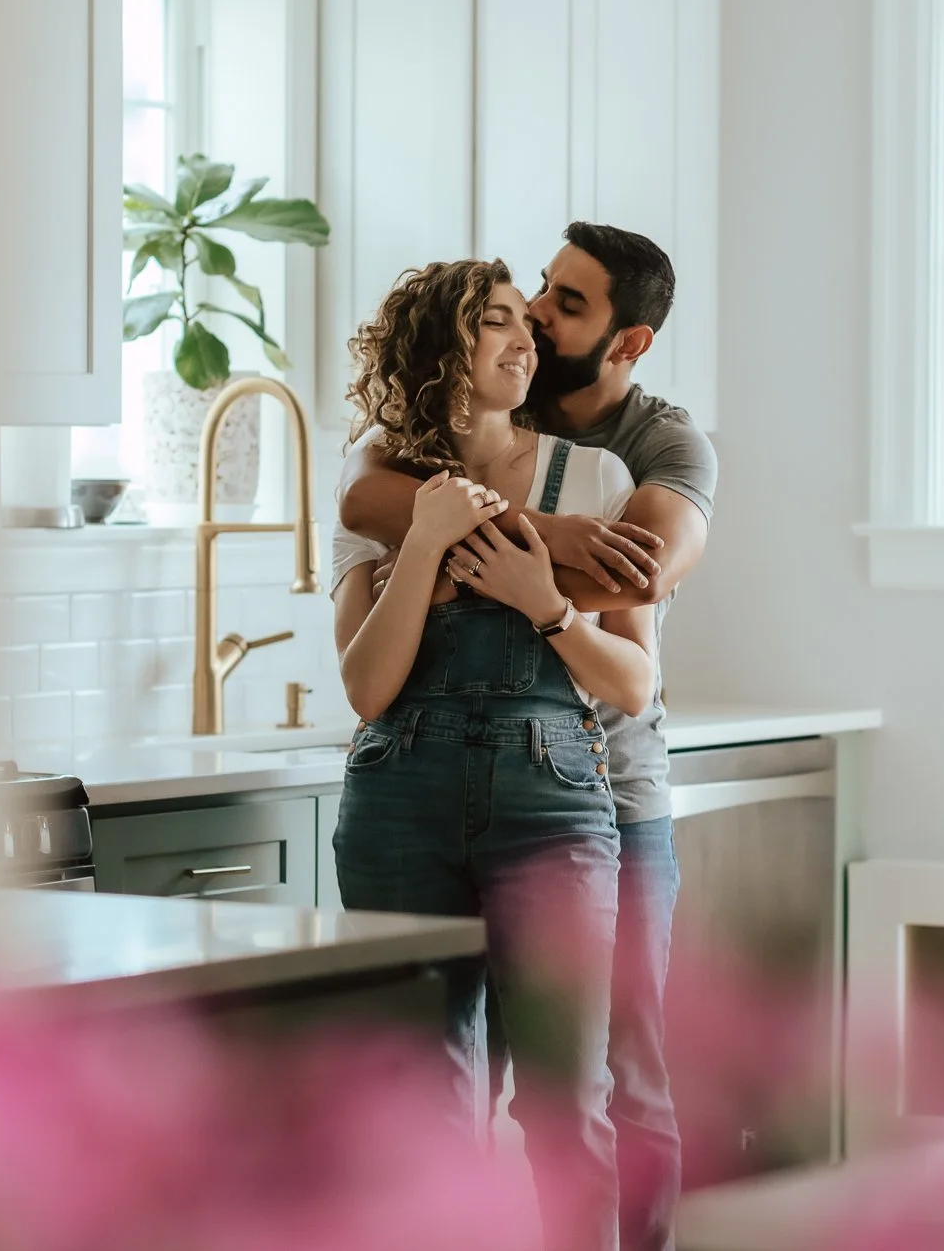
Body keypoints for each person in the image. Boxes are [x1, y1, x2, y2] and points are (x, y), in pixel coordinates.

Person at [339, 223, 718, 1251]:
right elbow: (366, 675)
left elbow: (635, 606)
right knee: (424, 1096)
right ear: (445, 353)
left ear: (626, 340)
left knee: (589, 1089)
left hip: (586, 785)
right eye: (510, 311)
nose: (535, 326)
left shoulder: (635, 456)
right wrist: (431, 528)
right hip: (403, 789)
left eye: (556, 307)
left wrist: (536, 590)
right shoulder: (388, 477)